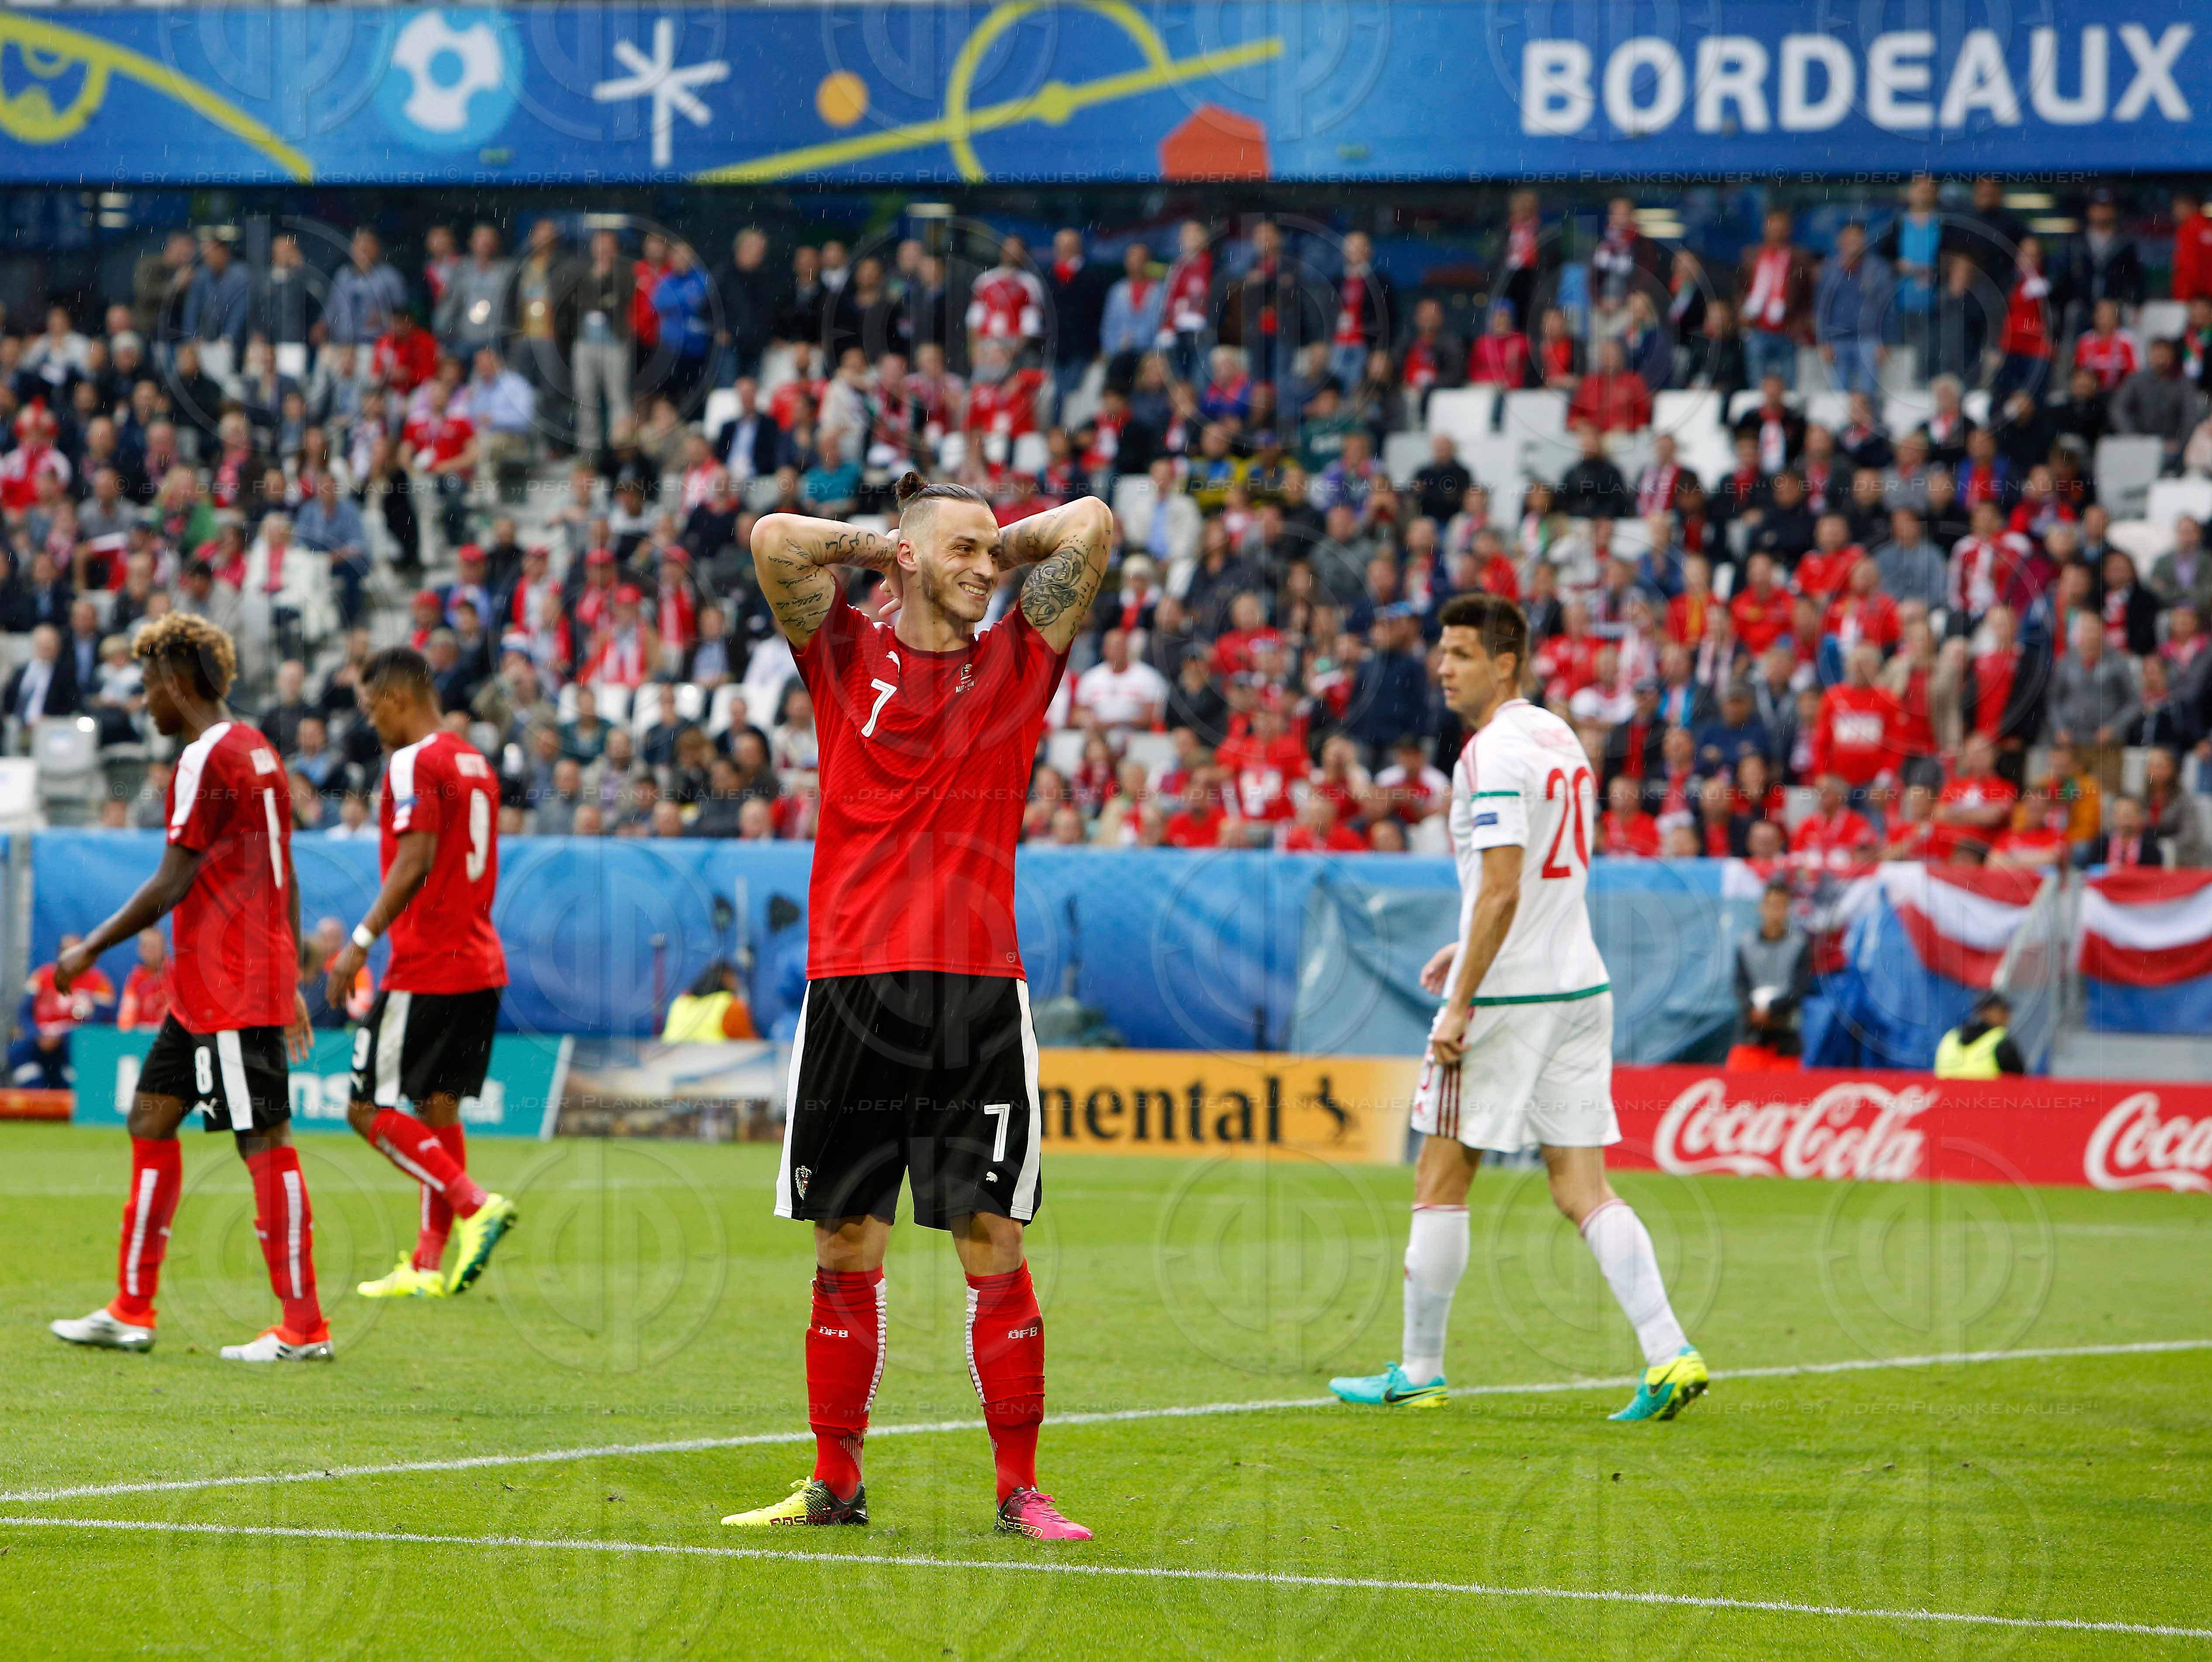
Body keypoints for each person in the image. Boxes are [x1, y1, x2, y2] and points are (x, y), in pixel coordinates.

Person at [719, 473, 1110, 1538]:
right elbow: (774, 538)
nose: (987, 569)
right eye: (965, 551)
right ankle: (834, 1482)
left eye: (995, 553)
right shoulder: (844, 655)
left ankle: (1018, 1489)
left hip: (978, 989)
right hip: (850, 983)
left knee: (991, 1233)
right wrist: (897, 545)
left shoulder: (1018, 661)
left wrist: (985, 544)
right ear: (905, 555)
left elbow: (1091, 524)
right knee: (844, 1239)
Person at [1329, 593, 1707, 1423]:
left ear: (1505, 662)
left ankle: (1419, 1368)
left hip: (1510, 998)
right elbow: (1531, 878)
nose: (1442, 664)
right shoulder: (1558, 735)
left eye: (1460, 651)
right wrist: (1463, 943)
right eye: (1441, 649)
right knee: (1581, 1184)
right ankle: (1668, 1350)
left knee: (1439, 1173)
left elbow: (1501, 883)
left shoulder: (1487, 753)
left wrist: (1461, 997)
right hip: (1577, 984)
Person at [48, 615, 326, 1363]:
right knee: (150, 1116)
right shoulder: (258, 748)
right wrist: (293, 969)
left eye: (148, 685)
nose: (145, 702)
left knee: (264, 1137)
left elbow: (172, 881)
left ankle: (303, 1327)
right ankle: (131, 1308)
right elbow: (284, 870)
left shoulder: (205, 757)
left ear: (175, 681)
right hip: (215, 982)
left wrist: (88, 951)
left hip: (230, 978)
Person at [323, 647, 518, 1300]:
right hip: (480, 961)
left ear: (398, 699)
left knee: (363, 1105)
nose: (371, 722)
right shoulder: (474, 760)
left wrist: (359, 941)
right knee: (437, 1108)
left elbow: (415, 859)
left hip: (428, 964)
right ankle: (429, 1264)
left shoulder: (413, 761)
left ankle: (474, 1203)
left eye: (373, 707)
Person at [1728, 880, 1812, 1071]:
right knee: (1740, 1090)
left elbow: (1800, 987)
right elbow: (1740, 984)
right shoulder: (1746, 944)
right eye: (1771, 905)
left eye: (1781, 906)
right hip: (1751, 1032)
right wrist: (1752, 1009)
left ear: (1788, 910)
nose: (1775, 912)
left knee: (1785, 1094)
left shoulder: (1799, 945)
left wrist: (1773, 1010)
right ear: (1762, 908)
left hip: (1786, 1034)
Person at [1933, 991, 2025, 1078]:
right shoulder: (2000, 1041)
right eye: (2004, 1010)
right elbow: (2020, 1083)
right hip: (1991, 1095)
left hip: (1947, 1095)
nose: (2008, 1016)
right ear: (1988, 1012)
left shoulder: (1950, 1038)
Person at [662, 960, 759, 1042]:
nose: (737, 983)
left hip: (672, 1062)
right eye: (734, 978)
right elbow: (749, 1045)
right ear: (726, 978)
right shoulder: (730, 1006)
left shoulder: (680, 1002)